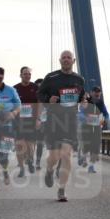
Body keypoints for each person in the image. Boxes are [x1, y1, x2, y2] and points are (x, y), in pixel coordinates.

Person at [37, 50, 85, 202]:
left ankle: (62, 189)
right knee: (54, 156)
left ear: (73, 61)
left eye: (69, 57)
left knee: (67, 154)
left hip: (71, 121)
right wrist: (48, 100)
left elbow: (81, 97)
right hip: (53, 121)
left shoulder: (79, 79)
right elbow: (39, 94)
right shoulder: (51, 77)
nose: (66, 59)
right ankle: (49, 170)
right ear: (60, 60)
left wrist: (84, 101)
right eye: (63, 57)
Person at [13, 66, 40, 178]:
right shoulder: (15, 89)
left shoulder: (35, 87)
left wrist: (38, 119)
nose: (27, 76)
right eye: (25, 74)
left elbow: (40, 104)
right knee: (19, 145)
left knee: (30, 145)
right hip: (18, 121)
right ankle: (21, 169)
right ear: (21, 75)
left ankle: (30, 160)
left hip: (31, 120)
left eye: (29, 74)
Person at [79, 86, 109, 174]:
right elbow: (80, 113)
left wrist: (105, 119)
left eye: (98, 95)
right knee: (86, 146)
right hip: (86, 126)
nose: (97, 97)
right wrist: (86, 118)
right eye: (96, 95)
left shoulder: (101, 103)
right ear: (91, 93)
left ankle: (91, 166)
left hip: (96, 127)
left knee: (95, 147)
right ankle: (83, 157)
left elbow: (106, 113)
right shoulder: (85, 101)